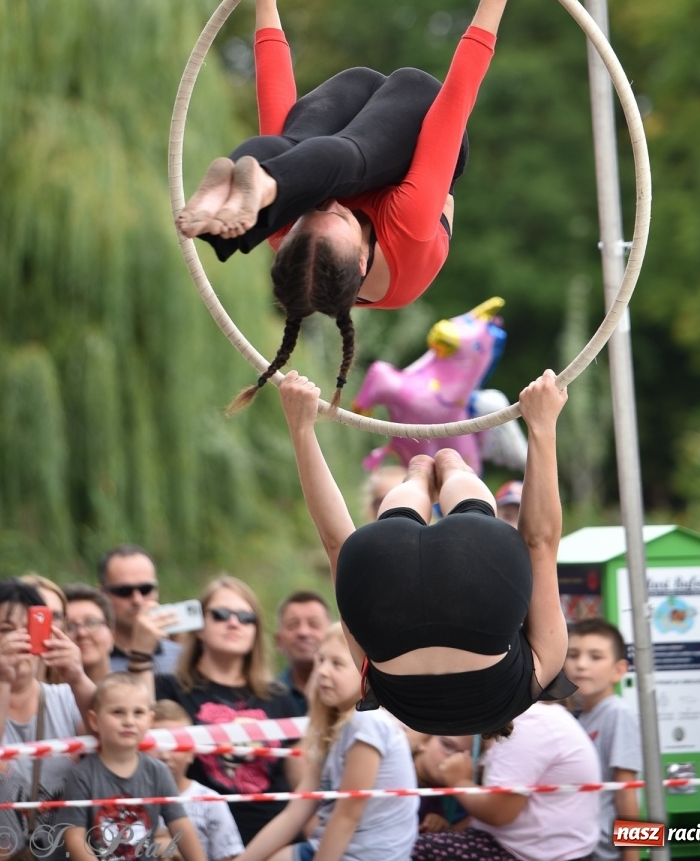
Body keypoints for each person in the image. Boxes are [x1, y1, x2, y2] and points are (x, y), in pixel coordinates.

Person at [177, 0, 534, 409]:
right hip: (413, 142)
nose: (330, 204)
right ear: (363, 261)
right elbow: (454, 104)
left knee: (299, 147)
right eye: (340, 216)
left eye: (311, 212)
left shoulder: (290, 234)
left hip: (333, 132)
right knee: (360, 140)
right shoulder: (407, 227)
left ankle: (252, 184)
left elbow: (278, 111)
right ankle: (262, 181)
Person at [279, 367, 576, 737]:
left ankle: (445, 467)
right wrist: (301, 428)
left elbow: (540, 542)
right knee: (421, 475)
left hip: (475, 567)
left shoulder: (533, 679)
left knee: (450, 461)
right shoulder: (390, 699)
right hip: (397, 573)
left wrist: (541, 426)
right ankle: (419, 474)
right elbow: (337, 543)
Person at [242, 621, 419, 861]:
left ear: (363, 670)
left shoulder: (367, 722)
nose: (323, 671)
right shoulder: (332, 727)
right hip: (330, 846)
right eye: (321, 660)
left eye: (336, 664)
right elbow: (295, 812)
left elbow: (347, 817)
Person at [153, 576, 303, 845]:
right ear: (198, 626)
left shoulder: (280, 697)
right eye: (220, 615)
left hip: (275, 842)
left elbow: (302, 786)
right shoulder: (169, 688)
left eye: (246, 617)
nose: (233, 623)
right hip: (198, 841)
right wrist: (141, 652)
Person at [0, 578, 96, 861]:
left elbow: (119, 743)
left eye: (30, 630)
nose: (21, 640)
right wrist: (2, 682)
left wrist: (77, 676)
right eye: (6, 630)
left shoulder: (67, 696)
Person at [411, 698, 601, 861]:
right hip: (543, 848)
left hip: (535, 854)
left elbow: (498, 814)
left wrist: (459, 783)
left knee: (409, 850)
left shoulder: (524, 723)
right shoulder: (533, 717)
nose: (455, 759)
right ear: (423, 742)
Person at [61, 673, 205, 860]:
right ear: (94, 721)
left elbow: (181, 825)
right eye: (118, 712)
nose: (129, 721)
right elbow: (74, 838)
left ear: (149, 720)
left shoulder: (158, 772)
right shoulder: (81, 775)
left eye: (138, 713)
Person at [564, 618, 642, 861]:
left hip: (604, 851)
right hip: (581, 845)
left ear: (619, 670)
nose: (581, 665)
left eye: (595, 657)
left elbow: (627, 792)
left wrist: (632, 856)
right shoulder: (581, 718)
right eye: (573, 655)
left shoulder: (618, 713)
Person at [153, 698, 245, 861]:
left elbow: (229, 857)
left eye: (175, 744)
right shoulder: (128, 798)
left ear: (192, 752)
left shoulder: (210, 802)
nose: (165, 755)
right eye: (155, 744)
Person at [97, 543, 182, 675]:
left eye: (145, 589)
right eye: (124, 591)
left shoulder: (184, 660)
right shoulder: (91, 659)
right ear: (102, 594)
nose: (137, 600)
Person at [274, 590, 332, 712]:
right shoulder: (265, 697)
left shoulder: (357, 694)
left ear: (332, 635)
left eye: (314, 624)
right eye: (293, 625)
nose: (303, 632)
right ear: (278, 641)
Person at [409, 733, 474, 835]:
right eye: (447, 745)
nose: (455, 761)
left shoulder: (460, 796)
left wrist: (443, 826)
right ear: (424, 741)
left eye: (465, 755)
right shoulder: (392, 773)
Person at [63, 583, 116, 684]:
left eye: (91, 623)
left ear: (112, 636)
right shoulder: (45, 696)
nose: (82, 633)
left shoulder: (131, 692)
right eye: (69, 626)